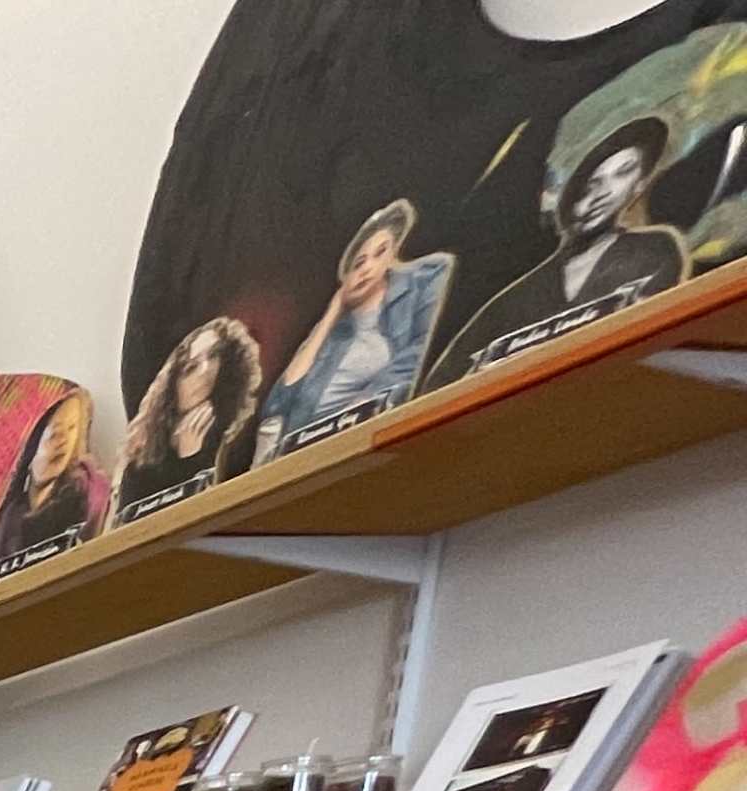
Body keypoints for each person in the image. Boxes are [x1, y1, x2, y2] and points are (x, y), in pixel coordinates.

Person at [439, 115, 689, 385]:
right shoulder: (511, 304)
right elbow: (434, 395)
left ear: (639, 183)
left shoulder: (653, 252)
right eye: (591, 181)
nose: (602, 193)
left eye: (623, 172)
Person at [257, 199, 453, 457]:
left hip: (373, 439)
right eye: (358, 263)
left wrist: (355, 413)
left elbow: (422, 353)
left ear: (393, 256)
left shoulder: (422, 282)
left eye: (380, 252)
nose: (367, 268)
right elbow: (278, 406)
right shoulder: (335, 334)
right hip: (306, 453)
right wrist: (330, 315)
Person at [115, 318, 266, 521]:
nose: (204, 371)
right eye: (190, 367)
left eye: (213, 355)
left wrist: (195, 460)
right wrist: (188, 462)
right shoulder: (141, 466)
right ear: (172, 388)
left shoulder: (240, 439)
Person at [0, 391, 104, 586]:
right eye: (55, 432)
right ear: (31, 443)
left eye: (72, 429)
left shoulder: (88, 492)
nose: (64, 442)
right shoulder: (4, 524)